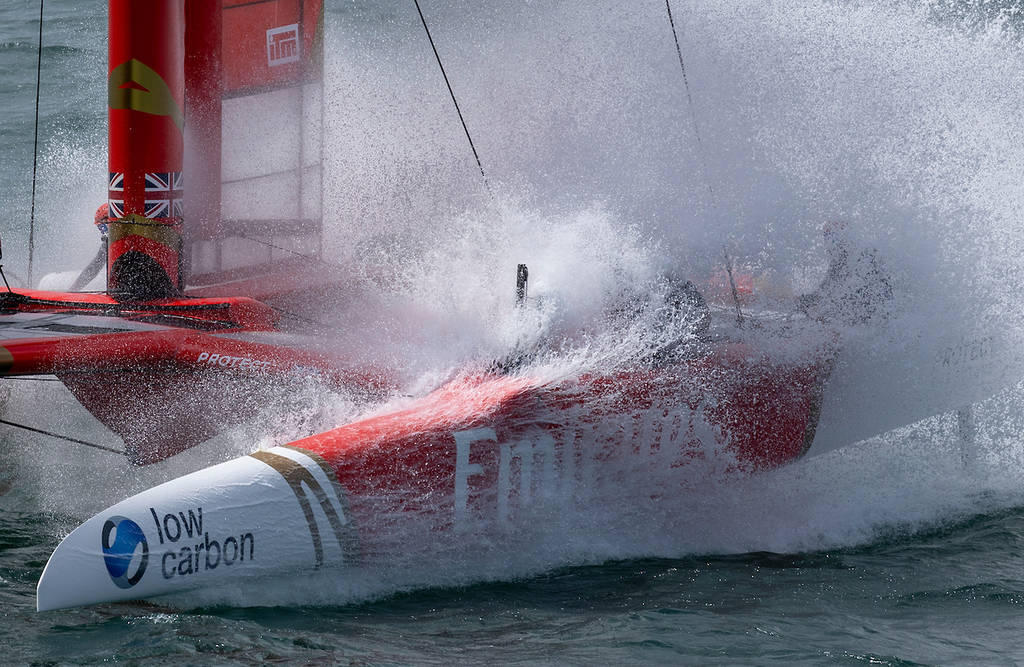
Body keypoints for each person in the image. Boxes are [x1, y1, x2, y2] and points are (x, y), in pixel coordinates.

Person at [797, 220, 892, 324]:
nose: (829, 241)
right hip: (862, 312)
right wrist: (801, 301)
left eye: (832, 235)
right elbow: (824, 291)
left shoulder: (865, 255)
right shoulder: (840, 260)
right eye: (827, 236)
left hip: (875, 315)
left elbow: (858, 294)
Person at [69, 203, 110, 291]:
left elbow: (93, 269)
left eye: (102, 225)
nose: (101, 229)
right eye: (99, 226)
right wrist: (73, 290)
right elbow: (93, 269)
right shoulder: (107, 245)